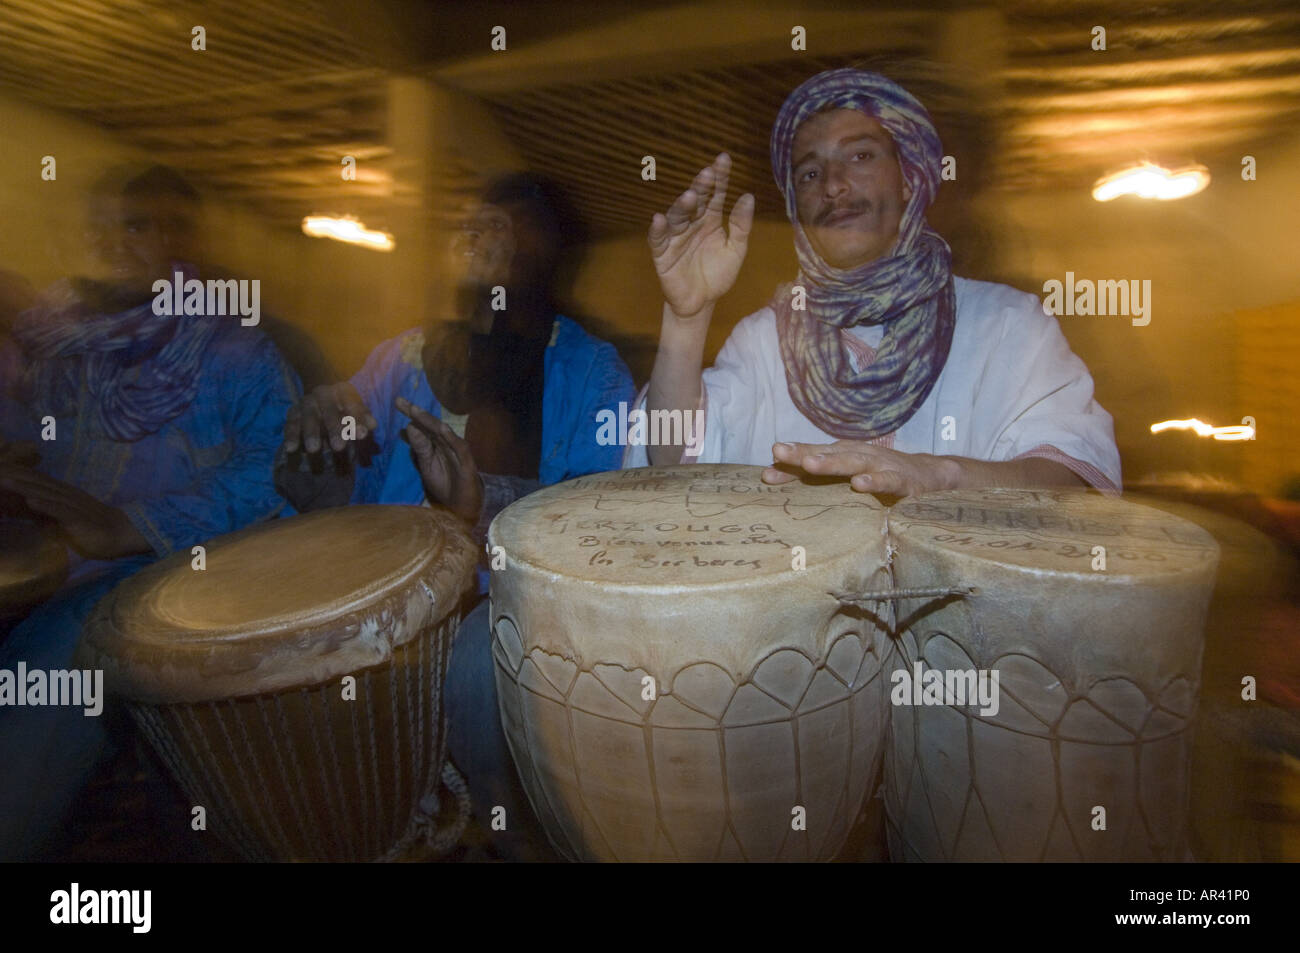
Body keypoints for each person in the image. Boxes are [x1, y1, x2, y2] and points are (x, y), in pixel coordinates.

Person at [278, 172, 635, 859]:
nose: (484, 238)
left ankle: (515, 836)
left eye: (509, 226)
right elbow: (330, 504)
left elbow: (591, 528)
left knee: (476, 666)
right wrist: (313, 441)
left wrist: (477, 507)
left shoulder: (593, 372)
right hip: (373, 598)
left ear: (551, 253)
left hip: (496, 606)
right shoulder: (402, 357)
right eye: (475, 224)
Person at [630, 68, 1120, 494]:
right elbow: (670, 459)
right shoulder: (763, 342)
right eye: (808, 173)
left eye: (860, 157)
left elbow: (1077, 482)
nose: (833, 186)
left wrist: (940, 477)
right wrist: (686, 317)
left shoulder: (1009, 326)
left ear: (910, 177)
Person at [0, 164, 300, 860]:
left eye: (134, 225)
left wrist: (129, 526)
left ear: (177, 238)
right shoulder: (53, 344)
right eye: (99, 226)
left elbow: (274, 474)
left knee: (54, 669)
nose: (109, 243)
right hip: (56, 572)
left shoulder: (235, 347)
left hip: (174, 581)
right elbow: (29, 431)